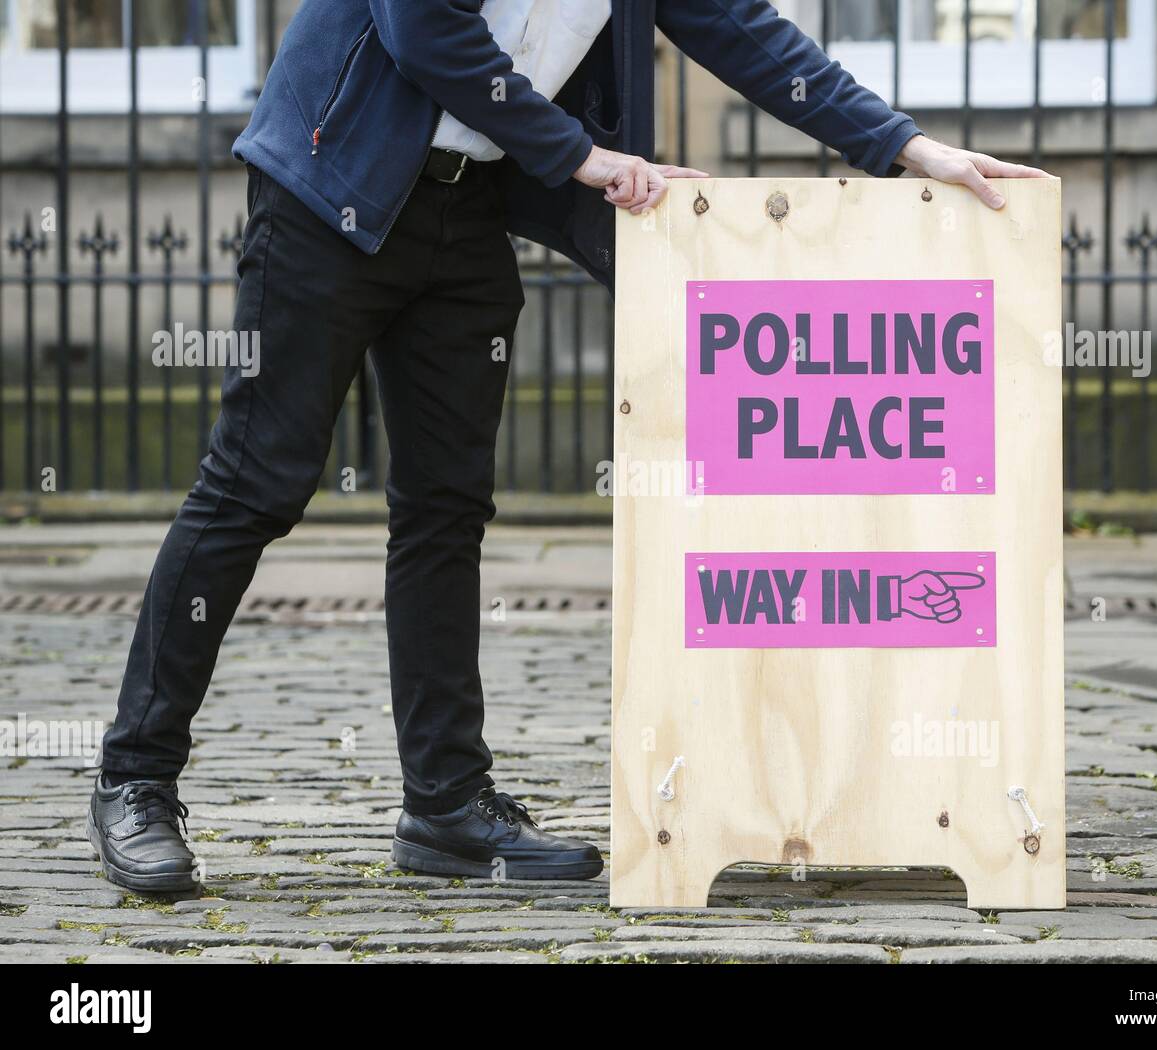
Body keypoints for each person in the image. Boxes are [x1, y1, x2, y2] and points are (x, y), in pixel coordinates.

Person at [89, 0, 1048, 893]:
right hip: (327, 185)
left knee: (445, 509)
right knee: (256, 484)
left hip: (468, 213)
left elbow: (739, 27)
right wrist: (579, 153)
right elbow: (423, 28)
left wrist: (905, 146)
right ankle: (134, 778)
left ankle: (446, 807)